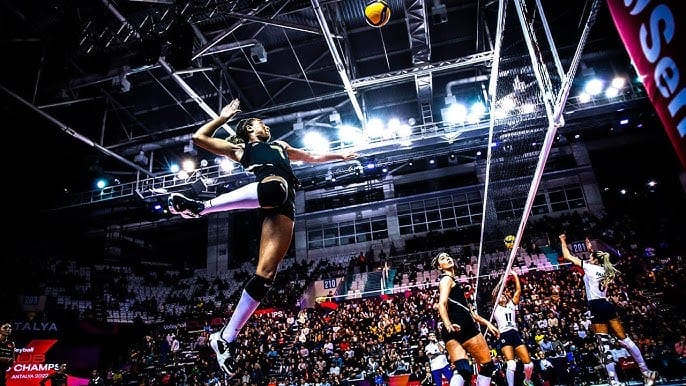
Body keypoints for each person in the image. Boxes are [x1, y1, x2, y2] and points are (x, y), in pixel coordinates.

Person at [168, 98, 358, 378]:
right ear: (247, 129)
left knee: (266, 275)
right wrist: (222, 118)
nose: (266, 126)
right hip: (270, 189)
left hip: (284, 206)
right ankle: (201, 207)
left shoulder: (280, 146)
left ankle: (226, 337)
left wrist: (339, 157)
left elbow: (309, 156)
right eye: (260, 123)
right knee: (276, 186)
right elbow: (199, 138)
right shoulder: (240, 148)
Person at [558, 234, 657, 386]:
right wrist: (590, 248)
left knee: (604, 344)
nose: (589, 258)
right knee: (625, 340)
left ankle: (613, 380)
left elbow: (566, 255)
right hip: (606, 304)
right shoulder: (605, 269)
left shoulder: (590, 267)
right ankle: (646, 371)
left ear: (595, 259)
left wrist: (563, 240)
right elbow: (598, 257)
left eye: (591, 257)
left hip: (596, 306)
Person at [433, 252, 499, 386]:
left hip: (451, 332)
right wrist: (447, 323)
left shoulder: (454, 283)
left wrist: (487, 323)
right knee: (487, 366)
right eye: (443, 258)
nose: (447, 258)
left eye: (448, 256)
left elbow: (471, 313)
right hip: (463, 326)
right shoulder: (446, 279)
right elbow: (441, 304)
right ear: (440, 267)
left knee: (463, 371)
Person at [492, 270, 534, 386]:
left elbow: (518, 290)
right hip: (504, 334)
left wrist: (514, 275)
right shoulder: (496, 308)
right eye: (501, 296)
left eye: (504, 295)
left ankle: (527, 380)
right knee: (511, 364)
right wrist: (502, 280)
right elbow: (494, 293)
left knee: (529, 364)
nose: (503, 297)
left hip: (514, 333)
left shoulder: (511, 305)